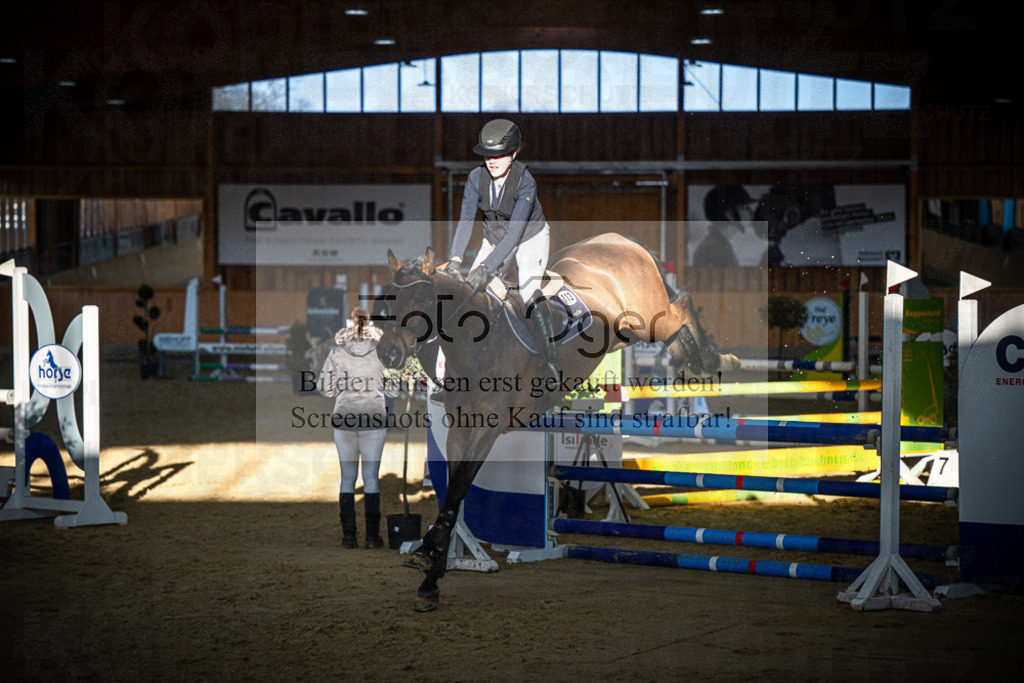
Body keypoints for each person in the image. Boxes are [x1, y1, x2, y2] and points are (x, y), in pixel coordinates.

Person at [445, 118, 559, 379]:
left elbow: (514, 235)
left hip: (529, 237)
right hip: (494, 238)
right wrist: (454, 258)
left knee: (530, 289)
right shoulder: (475, 178)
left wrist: (486, 267)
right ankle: (460, 367)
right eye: (487, 155)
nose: (492, 161)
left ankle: (550, 360)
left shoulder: (525, 182)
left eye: (500, 155)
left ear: (514, 154)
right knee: (468, 294)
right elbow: (465, 221)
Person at [318, 307, 392, 549]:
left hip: (345, 420)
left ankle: (348, 537)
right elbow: (394, 390)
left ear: (351, 322)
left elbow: (325, 389)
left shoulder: (337, 352)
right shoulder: (381, 352)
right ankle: (372, 537)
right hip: (373, 420)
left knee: (347, 479)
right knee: (371, 479)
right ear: (369, 323)